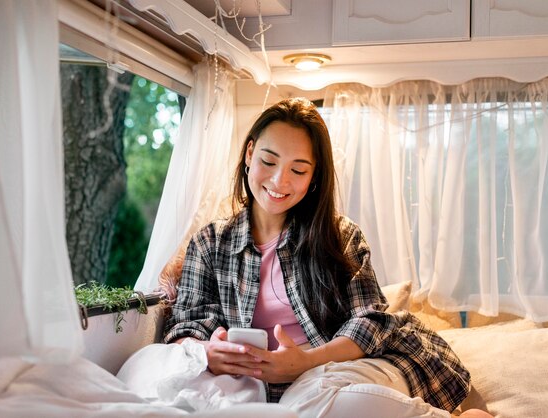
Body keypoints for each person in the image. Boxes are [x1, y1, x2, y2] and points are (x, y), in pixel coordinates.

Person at [162, 98, 492, 418]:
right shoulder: (209, 242)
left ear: (315, 176)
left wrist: (305, 361)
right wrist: (208, 351)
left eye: (299, 170)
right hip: (265, 383)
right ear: (250, 153)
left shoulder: (340, 235)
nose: (280, 181)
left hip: (357, 363)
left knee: (304, 403)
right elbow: (188, 324)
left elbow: (369, 321)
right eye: (269, 161)